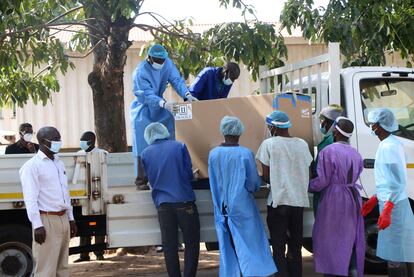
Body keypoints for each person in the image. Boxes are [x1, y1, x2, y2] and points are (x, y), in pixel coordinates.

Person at [208, 116, 277, 277]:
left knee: (228, 246)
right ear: (240, 132)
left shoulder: (213, 154)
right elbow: (253, 183)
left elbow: (213, 181)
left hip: (222, 208)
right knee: (251, 245)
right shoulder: (245, 154)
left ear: (223, 131)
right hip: (243, 208)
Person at [130, 43, 198, 190]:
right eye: (158, 61)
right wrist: (163, 103)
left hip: (161, 106)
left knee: (170, 137)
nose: (161, 63)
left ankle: (169, 174)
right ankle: (141, 180)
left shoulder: (167, 64)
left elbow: (176, 80)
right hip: (144, 108)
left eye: (163, 61)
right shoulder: (140, 72)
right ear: (149, 58)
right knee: (142, 144)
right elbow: (146, 95)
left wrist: (187, 95)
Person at [256, 110, 312, 277]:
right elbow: (309, 172)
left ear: (273, 127)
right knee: (295, 245)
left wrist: (279, 178)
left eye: (268, 126)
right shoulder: (302, 144)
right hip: (298, 203)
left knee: (278, 246)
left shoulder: (269, 144)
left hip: (278, 202)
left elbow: (266, 176)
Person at [141, 122, 200, 277]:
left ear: (149, 135)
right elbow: (188, 174)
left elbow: (149, 178)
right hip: (184, 201)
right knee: (191, 243)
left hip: (163, 205)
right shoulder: (179, 146)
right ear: (165, 131)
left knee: (169, 245)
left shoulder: (145, 153)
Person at [309, 117, 365, 277]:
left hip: (333, 199)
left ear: (335, 131)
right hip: (353, 198)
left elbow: (322, 180)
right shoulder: (356, 153)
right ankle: (352, 271)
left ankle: (333, 272)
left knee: (330, 239)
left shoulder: (328, 152)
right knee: (350, 237)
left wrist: (307, 185)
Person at [362, 108, 414, 276]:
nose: (372, 128)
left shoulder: (389, 147)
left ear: (381, 125)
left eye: (373, 124)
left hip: (395, 206)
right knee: (401, 251)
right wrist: (376, 198)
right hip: (392, 203)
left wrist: (388, 207)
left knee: (394, 255)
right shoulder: (388, 144)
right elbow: (388, 179)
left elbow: (397, 181)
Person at [19, 126, 77, 276]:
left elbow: (65, 193)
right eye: (55, 139)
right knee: (46, 270)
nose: (59, 142)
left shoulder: (58, 163)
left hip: (63, 218)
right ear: (43, 142)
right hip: (47, 220)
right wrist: (37, 225)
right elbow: (30, 199)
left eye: (59, 138)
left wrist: (71, 219)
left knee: (62, 268)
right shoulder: (32, 167)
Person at [74, 131, 106, 262]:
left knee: (99, 227)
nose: (82, 143)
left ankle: (99, 254)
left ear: (92, 141)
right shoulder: (78, 154)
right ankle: (83, 255)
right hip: (83, 197)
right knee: (84, 227)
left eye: (84, 140)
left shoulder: (102, 154)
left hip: (99, 196)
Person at [312, 105, 343, 214]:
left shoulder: (329, 142)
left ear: (327, 121)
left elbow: (323, 175)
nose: (321, 123)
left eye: (322, 120)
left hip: (326, 193)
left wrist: (309, 185)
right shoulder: (338, 140)